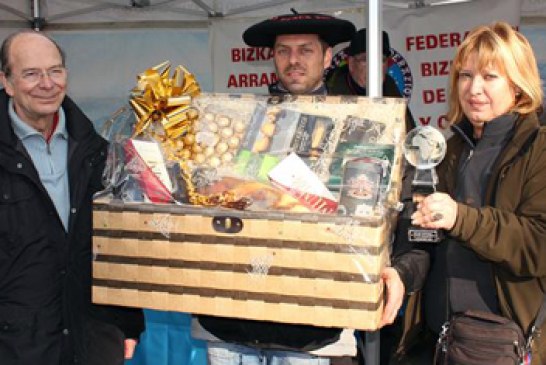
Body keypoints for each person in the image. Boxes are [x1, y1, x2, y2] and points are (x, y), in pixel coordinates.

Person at [192, 11, 428, 365]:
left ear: (327, 57)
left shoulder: (361, 127)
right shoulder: (241, 122)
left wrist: (402, 270)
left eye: (305, 50)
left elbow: (398, 208)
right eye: (284, 51)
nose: (293, 60)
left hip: (314, 330)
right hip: (231, 325)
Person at [0, 30, 144, 365]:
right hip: (18, 344)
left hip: (92, 339)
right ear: (6, 82)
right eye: (31, 73)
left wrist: (128, 323)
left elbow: (117, 242)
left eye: (55, 71)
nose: (47, 84)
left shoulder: (99, 151)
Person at [406, 21, 546, 364]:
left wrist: (461, 218)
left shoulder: (538, 149)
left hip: (502, 343)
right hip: (439, 342)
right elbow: (423, 241)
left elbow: (538, 244)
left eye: (489, 76)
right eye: (465, 76)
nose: (474, 88)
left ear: (517, 85)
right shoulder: (448, 149)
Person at [326, 28, 415, 133]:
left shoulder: (390, 88)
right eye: (365, 60)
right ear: (351, 64)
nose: (373, 67)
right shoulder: (329, 94)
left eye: (380, 60)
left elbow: (409, 134)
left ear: (387, 64)